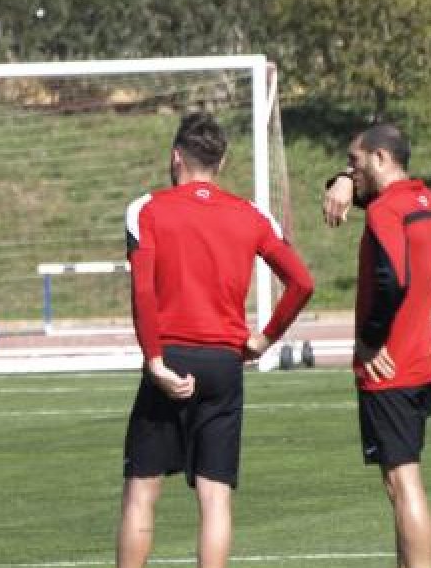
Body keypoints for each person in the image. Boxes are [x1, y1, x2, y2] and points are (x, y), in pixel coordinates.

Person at [117, 112, 315, 568]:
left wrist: (154, 362)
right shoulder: (250, 214)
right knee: (215, 498)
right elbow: (302, 282)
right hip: (224, 363)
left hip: (171, 356)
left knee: (142, 491)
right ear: (221, 163)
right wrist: (265, 339)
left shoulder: (147, 209)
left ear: (175, 156)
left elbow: (143, 290)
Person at [322, 124, 431, 568]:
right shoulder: (425, 200)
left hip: (391, 366)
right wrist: (338, 180)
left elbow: (392, 280)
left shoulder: (384, 212)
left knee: (401, 481)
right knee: (404, 478)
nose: (351, 172)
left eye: (355, 163)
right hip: (423, 360)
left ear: (380, 159)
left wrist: (370, 341)